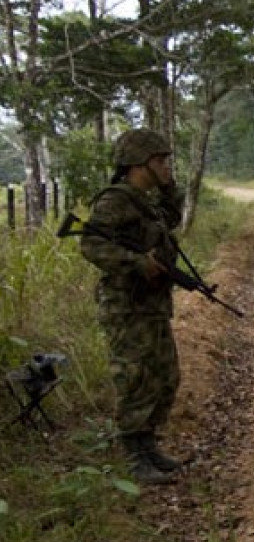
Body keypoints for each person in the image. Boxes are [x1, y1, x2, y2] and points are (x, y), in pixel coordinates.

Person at [79, 128, 186, 485]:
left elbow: (170, 220)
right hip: (126, 306)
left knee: (165, 376)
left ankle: (149, 445)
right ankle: (134, 456)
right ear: (140, 163)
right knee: (136, 378)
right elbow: (92, 245)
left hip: (151, 304)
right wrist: (137, 263)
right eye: (160, 161)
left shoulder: (146, 200)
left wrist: (170, 187)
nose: (167, 166)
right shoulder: (115, 201)